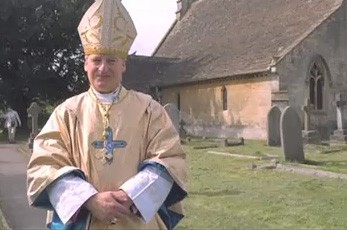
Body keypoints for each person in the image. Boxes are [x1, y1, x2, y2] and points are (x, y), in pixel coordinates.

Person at [26, 0, 187, 229]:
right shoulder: (67, 113)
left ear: (123, 65)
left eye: (111, 60)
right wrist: (90, 200)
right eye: (97, 60)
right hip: (85, 220)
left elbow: (170, 159)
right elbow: (44, 165)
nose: (103, 68)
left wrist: (131, 194)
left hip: (137, 221)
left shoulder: (149, 110)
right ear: (85, 64)